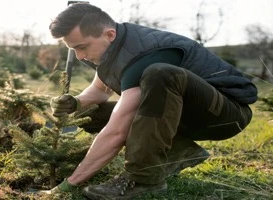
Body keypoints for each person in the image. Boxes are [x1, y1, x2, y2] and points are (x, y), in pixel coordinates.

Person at [48, 3, 257, 199]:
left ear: (109, 34)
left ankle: (143, 179)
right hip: (183, 111)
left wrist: (70, 184)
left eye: (82, 47)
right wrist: (75, 103)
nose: (79, 56)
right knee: (90, 113)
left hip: (225, 114)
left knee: (160, 74)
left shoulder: (144, 53)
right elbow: (100, 90)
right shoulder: (112, 47)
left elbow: (117, 131)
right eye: (73, 49)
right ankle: (179, 149)